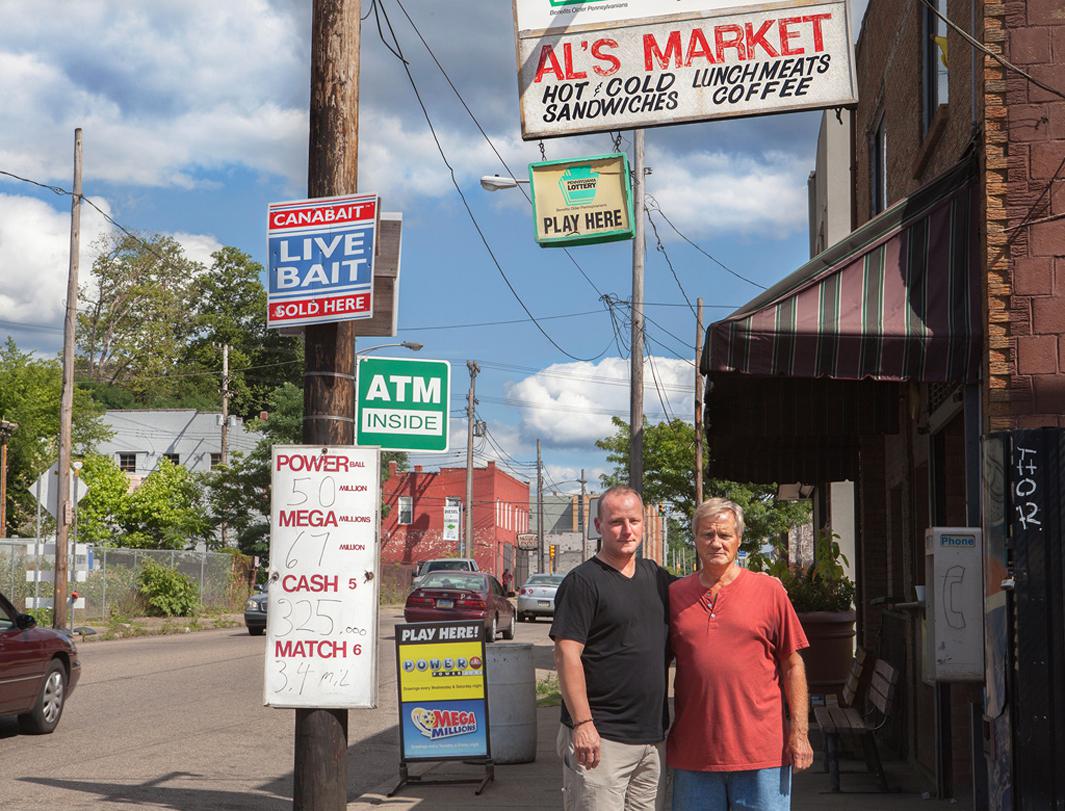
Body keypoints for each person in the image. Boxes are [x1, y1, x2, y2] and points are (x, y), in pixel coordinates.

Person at [667, 498, 813, 811]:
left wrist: (800, 734)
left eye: (725, 535)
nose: (715, 542)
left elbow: (793, 666)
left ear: (739, 540)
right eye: (707, 535)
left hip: (762, 754)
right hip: (695, 756)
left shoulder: (769, 592)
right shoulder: (675, 594)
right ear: (695, 539)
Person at [550, 485, 673, 810]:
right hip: (600, 739)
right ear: (598, 526)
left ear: (644, 524)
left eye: (634, 520)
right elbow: (566, 655)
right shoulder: (583, 582)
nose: (627, 529)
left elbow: (706, 591)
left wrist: (755, 581)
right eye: (616, 521)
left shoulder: (658, 579)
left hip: (651, 740)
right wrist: (583, 724)